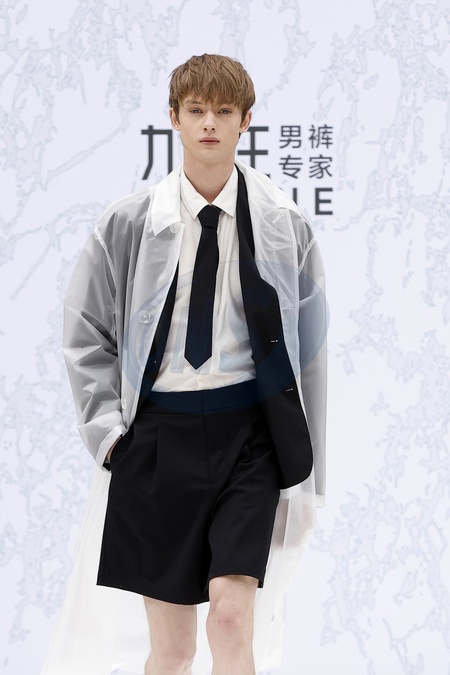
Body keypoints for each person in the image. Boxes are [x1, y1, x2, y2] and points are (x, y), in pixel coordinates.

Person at [54, 54, 327, 675]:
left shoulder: (284, 224)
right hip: (157, 439)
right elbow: (85, 333)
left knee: (230, 619)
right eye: (196, 110)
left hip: (249, 439)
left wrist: (309, 475)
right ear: (173, 118)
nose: (209, 123)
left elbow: (310, 355)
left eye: (223, 111)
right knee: (172, 651)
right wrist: (111, 440)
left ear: (245, 121)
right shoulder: (127, 224)